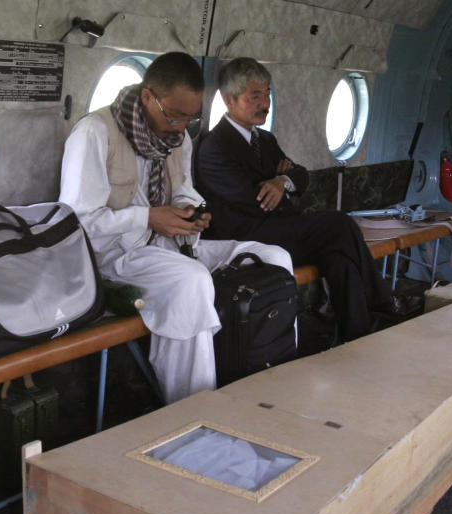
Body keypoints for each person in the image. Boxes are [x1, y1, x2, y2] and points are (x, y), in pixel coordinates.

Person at [59, 52, 292, 404]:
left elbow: (182, 189)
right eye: (175, 115)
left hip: (169, 247)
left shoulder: (178, 138)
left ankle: (265, 380)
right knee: (191, 281)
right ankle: (191, 406)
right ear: (148, 95)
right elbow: (78, 224)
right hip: (112, 259)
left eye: (191, 117)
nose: (182, 127)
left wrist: (190, 212)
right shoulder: (95, 133)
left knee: (273, 257)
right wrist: (148, 217)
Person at [195, 57, 420, 341]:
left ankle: (357, 336)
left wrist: (281, 181)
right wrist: (277, 187)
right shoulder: (215, 148)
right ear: (229, 100)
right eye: (255, 97)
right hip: (248, 236)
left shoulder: (264, 140)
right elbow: (256, 201)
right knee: (338, 223)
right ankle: (383, 302)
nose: (264, 103)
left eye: (267, 94)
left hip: (282, 227)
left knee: (339, 257)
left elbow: (301, 176)